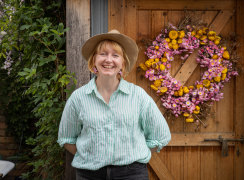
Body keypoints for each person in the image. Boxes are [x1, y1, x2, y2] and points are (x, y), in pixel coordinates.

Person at [57, 29, 171, 180]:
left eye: (115, 55)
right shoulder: (78, 98)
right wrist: (91, 155)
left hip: (132, 174)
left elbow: (161, 135)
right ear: (94, 60)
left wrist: (133, 152)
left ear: (123, 63)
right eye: (103, 54)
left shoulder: (138, 96)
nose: (108, 60)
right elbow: (66, 138)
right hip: (90, 175)